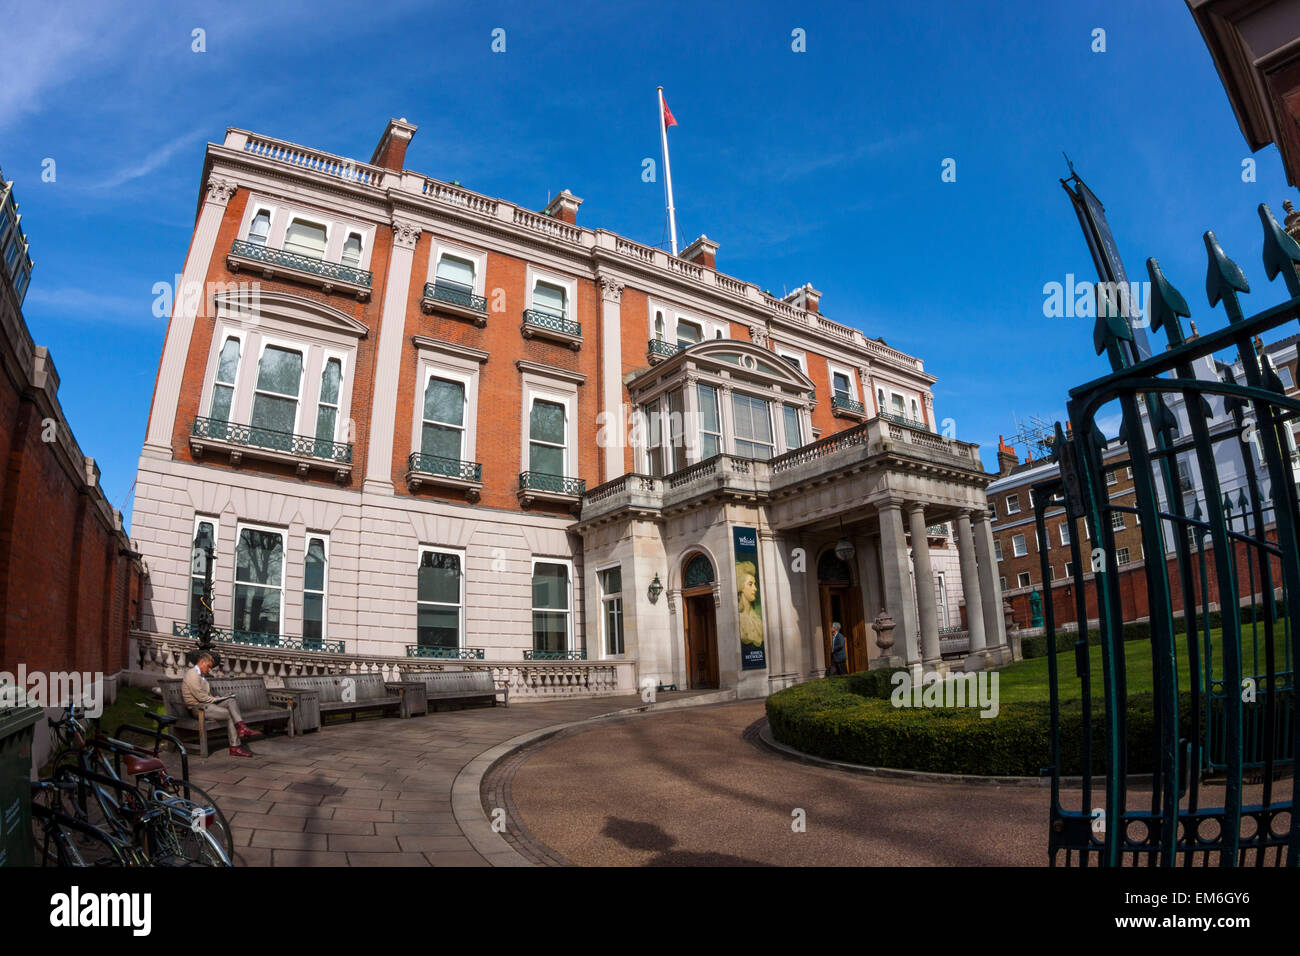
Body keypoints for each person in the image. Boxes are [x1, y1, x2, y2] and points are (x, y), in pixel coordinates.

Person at [182, 652, 262, 757]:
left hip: (207, 705)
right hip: (198, 708)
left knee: (230, 701)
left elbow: (205, 695)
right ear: (202, 662)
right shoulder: (192, 674)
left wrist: (218, 698)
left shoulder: (200, 675)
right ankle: (235, 747)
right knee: (229, 714)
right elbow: (200, 696)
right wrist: (214, 700)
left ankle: (242, 727)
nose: (209, 670)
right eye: (208, 666)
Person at [736, 561, 763, 647]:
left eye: (754, 584)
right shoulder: (738, 618)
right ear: (741, 587)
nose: (755, 589)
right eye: (750, 584)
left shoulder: (757, 619)